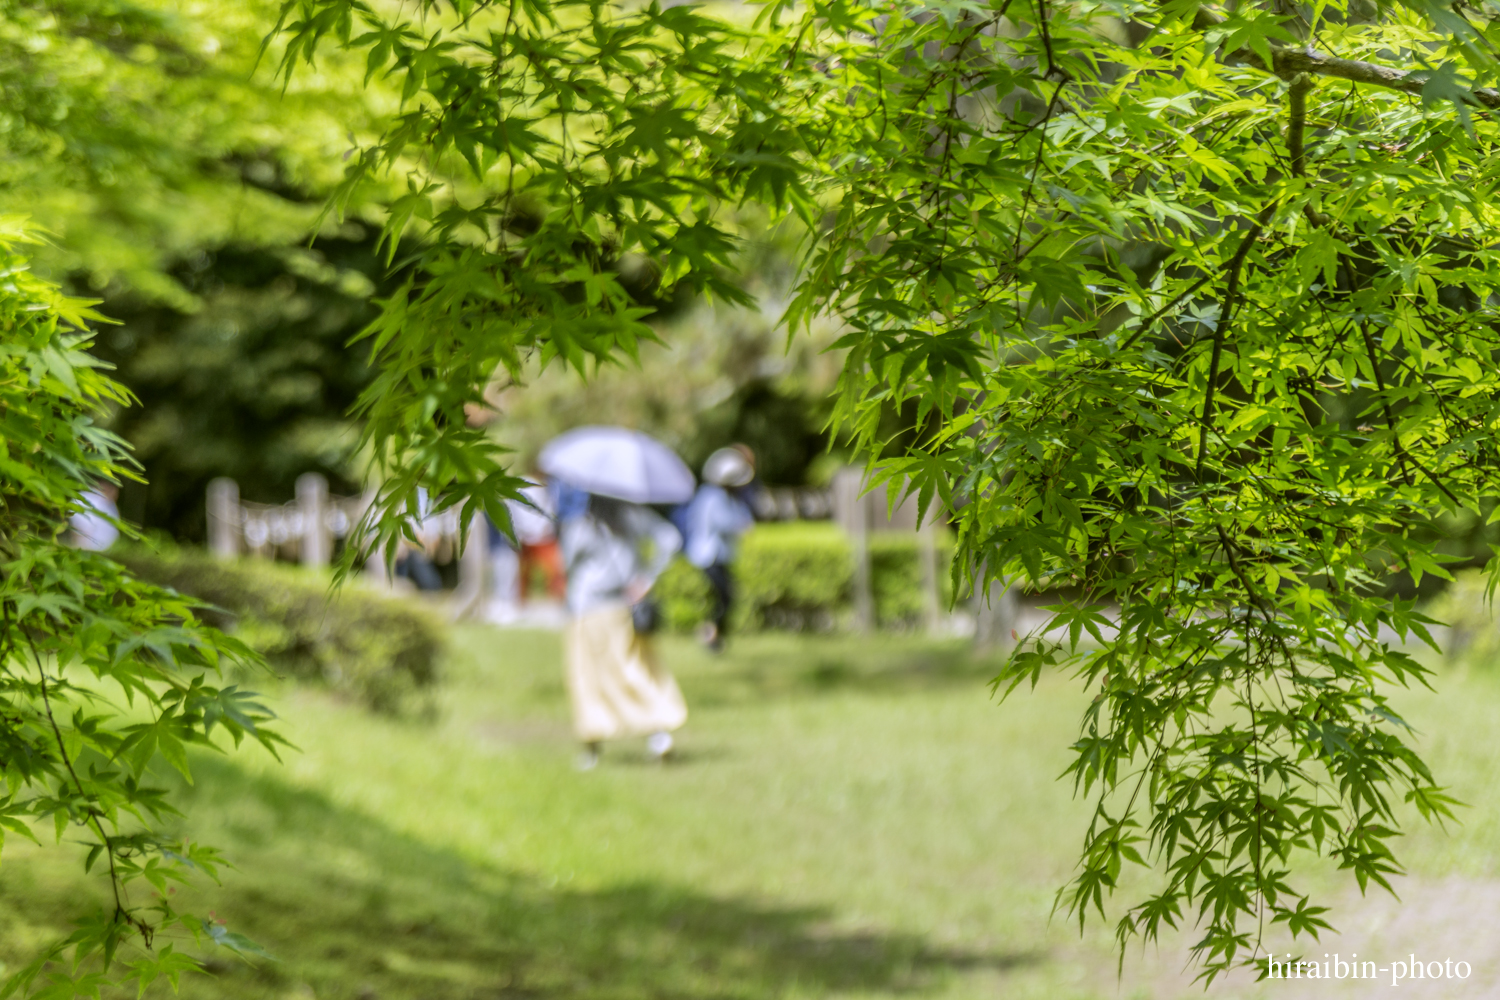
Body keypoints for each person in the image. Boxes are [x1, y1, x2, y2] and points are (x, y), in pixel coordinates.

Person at [558, 488, 686, 770]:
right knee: (633, 668)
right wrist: (646, 577)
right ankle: (657, 735)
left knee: (588, 676)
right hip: (620, 608)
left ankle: (592, 748)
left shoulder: (580, 524)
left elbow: (566, 563)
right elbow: (670, 539)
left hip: (587, 608)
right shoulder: (632, 515)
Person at [680, 446, 756, 651]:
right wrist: (740, 525)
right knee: (724, 596)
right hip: (708, 555)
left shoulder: (722, 496)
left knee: (726, 597)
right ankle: (710, 633)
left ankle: (713, 635)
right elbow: (725, 522)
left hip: (719, 555)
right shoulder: (712, 496)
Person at [69, 482, 121, 551]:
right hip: (88, 542)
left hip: (101, 546)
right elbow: (83, 526)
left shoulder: (109, 504)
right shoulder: (91, 498)